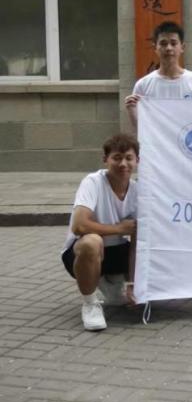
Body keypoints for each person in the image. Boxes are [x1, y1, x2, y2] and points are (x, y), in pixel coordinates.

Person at [60, 133, 139, 331]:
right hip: (80, 253)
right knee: (91, 242)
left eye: (129, 158)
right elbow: (79, 226)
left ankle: (114, 285)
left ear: (137, 160)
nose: (123, 164)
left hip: (115, 252)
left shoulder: (138, 191)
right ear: (106, 160)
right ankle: (90, 304)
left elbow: (138, 240)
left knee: (150, 241)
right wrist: (119, 229)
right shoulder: (93, 182)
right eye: (117, 158)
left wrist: (133, 282)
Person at [124, 21, 192, 127]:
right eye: (163, 44)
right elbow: (141, 129)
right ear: (155, 48)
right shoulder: (143, 85)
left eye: (173, 43)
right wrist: (131, 109)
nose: (168, 48)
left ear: (182, 47)